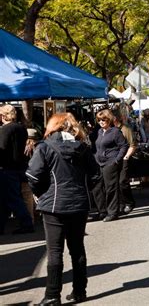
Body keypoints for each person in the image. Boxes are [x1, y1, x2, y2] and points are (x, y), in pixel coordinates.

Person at [26, 113, 100, 305]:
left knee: (55, 250)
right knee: (77, 249)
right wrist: (83, 191)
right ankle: (79, 291)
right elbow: (95, 175)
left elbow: (33, 176)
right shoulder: (83, 148)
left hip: (54, 205)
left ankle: (52, 295)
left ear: (52, 126)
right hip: (78, 203)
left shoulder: (45, 147)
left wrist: (41, 194)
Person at [0, 104, 34, 235]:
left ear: (3, 115)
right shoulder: (21, 128)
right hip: (20, 166)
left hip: (7, 168)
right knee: (6, 198)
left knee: (13, 198)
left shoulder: (5, 129)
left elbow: (2, 149)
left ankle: (26, 223)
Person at [92, 109, 128, 222]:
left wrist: (117, 160)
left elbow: (124, 146)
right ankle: (102, 211)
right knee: (97, 187)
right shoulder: (99, 132)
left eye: (103, 120)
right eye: (99, 120)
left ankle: (113, 212)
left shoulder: (115, 132)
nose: (101, 122)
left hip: (110, 162)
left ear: (109, 120)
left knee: (111, 188)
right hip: (99, 162)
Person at [113, 110, 137, 215]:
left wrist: (126, 157)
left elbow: (132, 144)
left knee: (122, 182)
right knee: (116, 183)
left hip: (124, 158)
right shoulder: (111, 129)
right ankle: (121, 205)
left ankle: (129, 202)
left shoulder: (125, 129)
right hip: (114, 159)